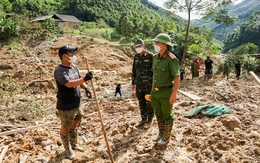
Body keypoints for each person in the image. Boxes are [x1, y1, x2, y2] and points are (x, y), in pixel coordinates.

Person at [54, 45, 93, 159]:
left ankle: (74, 144)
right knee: (65, 126)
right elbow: (69, 83)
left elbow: (79, 79)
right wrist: (85, 79)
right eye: (70, 53)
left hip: (77, 103)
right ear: (63, 56)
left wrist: (86, 87)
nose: (73, 55)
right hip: (66, 105)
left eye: (73, 53)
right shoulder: (59, 71)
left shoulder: (74, 67)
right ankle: (68, 149)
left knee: (75, 123)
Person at [151, 33, 180, 149]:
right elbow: (154, 75)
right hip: (156, 92)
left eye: (157, 43)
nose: (155, 45)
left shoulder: (171, 59)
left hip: (166, 92)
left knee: (167, 115)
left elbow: (177, 77)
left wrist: (174, 93)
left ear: (164, 45)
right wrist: (152, 90)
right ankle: (161, 134)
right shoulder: (155, 58)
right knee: (158, 114)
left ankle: (166, 137)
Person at [132, 39, 154, 128]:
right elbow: (134, 70)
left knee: (148, 101)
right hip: (138, 84)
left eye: (139, 46)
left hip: (148, 84)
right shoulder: (136, 57)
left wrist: (153, 84)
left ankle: (150, 119)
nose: (138, 48)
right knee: (141, 101)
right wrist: (133, 83)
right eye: (136, 47)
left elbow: (154, 71)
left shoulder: (150, 56)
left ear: (143, 46)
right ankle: (143, 118)